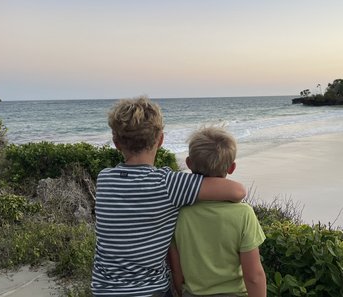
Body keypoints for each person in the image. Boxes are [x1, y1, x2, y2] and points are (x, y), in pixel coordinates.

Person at [91, 97, 246, 297]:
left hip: (104, 290)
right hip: (151, 290)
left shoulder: (104, 178)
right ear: (161, 140)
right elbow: (237, 191)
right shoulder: (168, 183)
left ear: (116, 143)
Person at [169, 127, 266, 297]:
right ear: (231, 168)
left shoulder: (177, 212)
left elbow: (176, 270)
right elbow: (254, 276)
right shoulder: (244, 214)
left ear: (189, 163)